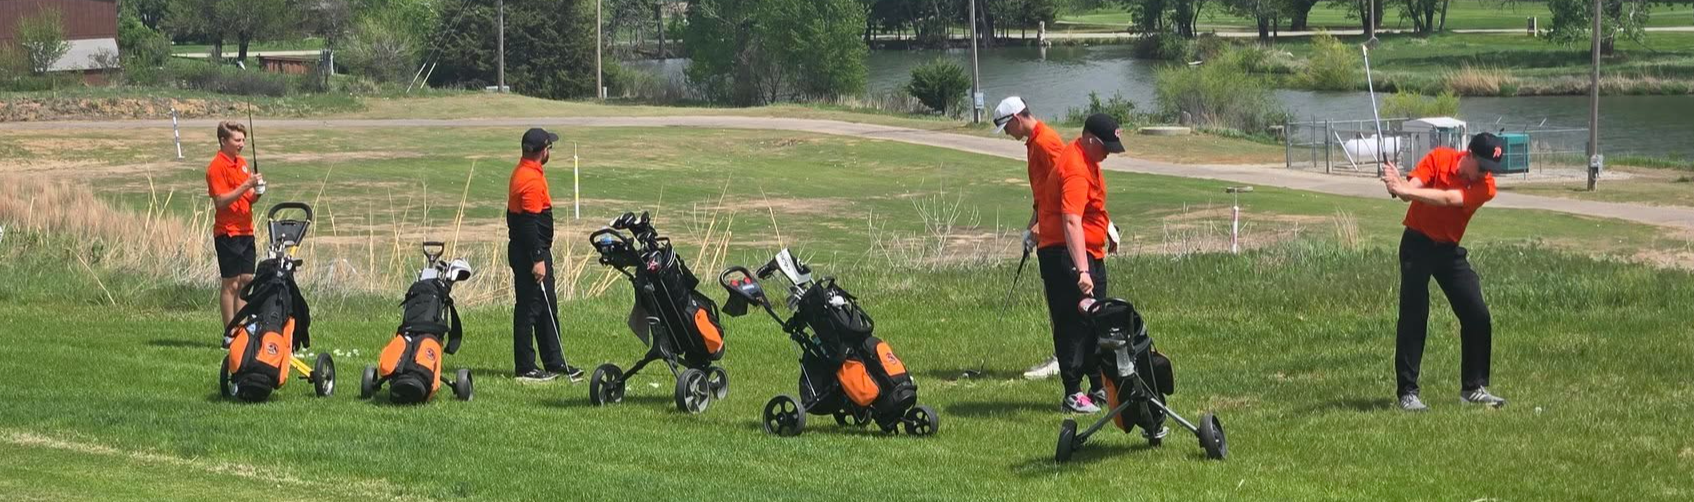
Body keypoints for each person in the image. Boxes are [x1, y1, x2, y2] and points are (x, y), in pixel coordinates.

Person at [1380, 132, 1510, 412]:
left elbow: (1450, 199)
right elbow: (1411, 187)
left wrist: (1404, 189)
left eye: (1491, 169)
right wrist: (1398, 184)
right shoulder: (1439, 158)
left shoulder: (1486, 187)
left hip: (1448, 250)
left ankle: (1473, 388)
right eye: (1484, 166)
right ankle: (1407, 393)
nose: (1488, 173)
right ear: (1469, 155)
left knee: (1476, 313)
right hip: (1416, 243)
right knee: (1415, 314)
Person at [1038, 114, 1123, 414]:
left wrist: (1106, 228)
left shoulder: (1089, 161)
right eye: (1106, 147)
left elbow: (1090, 209)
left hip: (1088, 251)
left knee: (1095, 320)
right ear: (1089, 139)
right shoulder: (1074, 167)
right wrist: (1083, 270)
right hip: (1065, 253)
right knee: (1073, 322)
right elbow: (1071, 221)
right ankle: (1072, 392)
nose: (1109, 153)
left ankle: (1097, 386)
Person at [992, 97, 1069, 382]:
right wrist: (1031, 224)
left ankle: (1065, 358)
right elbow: (1044, 193)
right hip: (1048, 227)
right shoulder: (1033, 143)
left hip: (1060, 235)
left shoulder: (1047, 142)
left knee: (1061, 298)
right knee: (1054, 296)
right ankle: (1063, 355)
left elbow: (1066, 189)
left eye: (1006, 128)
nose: (1008, 135)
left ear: (1015, 119)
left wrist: (1044, 225)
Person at [507, 128, 581, 383]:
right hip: (530, 252)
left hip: (534, 250)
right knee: (529, 308)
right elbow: (528, 224)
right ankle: (525, 366)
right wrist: (538, 258)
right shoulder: (530, 179)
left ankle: (554, 361)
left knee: (547, 306)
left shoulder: (527, 171)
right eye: (549, 148)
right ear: (543, 151)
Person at [206, 121, 263, 338]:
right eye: (237, 140)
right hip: (227, 232)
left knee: (247, 280)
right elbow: (220, 201)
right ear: (223, 141)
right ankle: (229, 332)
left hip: (246, 230)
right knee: (231, 283)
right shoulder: (216, 167)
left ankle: (244, 329)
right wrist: (246, 185)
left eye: (243, 140)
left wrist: (256, 191)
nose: (242, 144)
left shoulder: (243, 163)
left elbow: (248, 199)